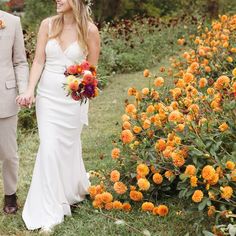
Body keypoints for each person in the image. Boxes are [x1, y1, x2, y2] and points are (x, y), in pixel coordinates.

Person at [16, 0, 100, 231]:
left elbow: (91, 71)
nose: (57, 0)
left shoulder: (90, 30)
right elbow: (38, 60)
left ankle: (71, 188)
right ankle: (50, 209)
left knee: (67, 147)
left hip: (72, 101)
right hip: (47, 97)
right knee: (50, 147)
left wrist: (83, 86)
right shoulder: (47, 25)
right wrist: (29, 90)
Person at [0, 10, 29, 214]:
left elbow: (20, 61)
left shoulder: (11, 21)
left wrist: (24, 89)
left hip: (6, 97)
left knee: (9, 153)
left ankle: (10, 194)